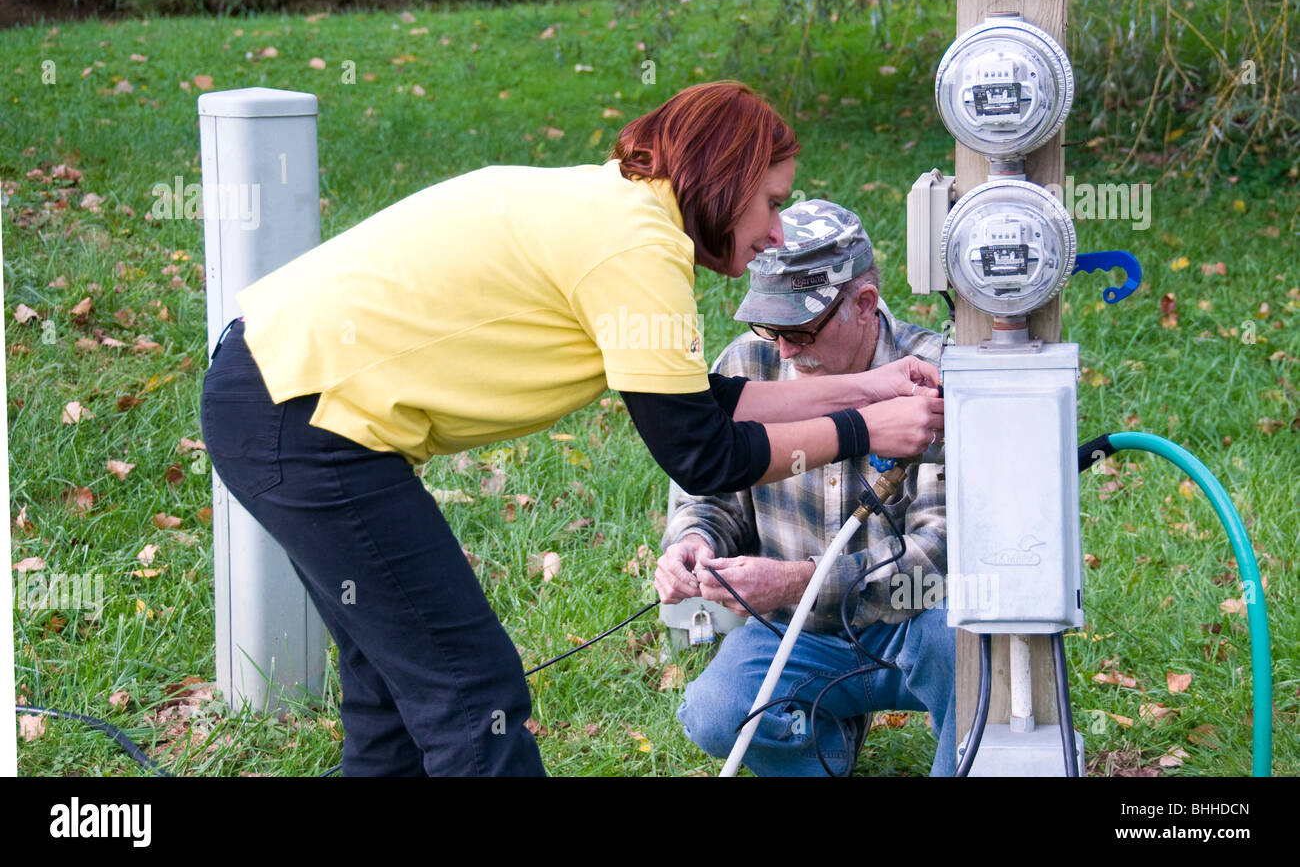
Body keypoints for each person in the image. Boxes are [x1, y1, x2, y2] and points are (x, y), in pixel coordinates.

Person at [200, 81, 945, 776]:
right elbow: (707, 454)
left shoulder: (620, 213)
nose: (774, 231)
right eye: (771, 202)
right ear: (726, 176)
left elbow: (703, 402)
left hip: (278, 394)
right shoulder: (639, 248)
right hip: (303, 414)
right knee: (472, 694)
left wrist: (868, 385)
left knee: (394, 693)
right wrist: (862, 424)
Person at [655, 199, 957, 777]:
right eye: (769, 326)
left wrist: (797, 579)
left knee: (959, 637)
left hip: (910, 628)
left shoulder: (934, 374)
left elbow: (940, 556)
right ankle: (823, 749)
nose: (784, 349)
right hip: (798, 633)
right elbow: (709, 493)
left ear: (864, 304)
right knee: (715, 713)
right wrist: (694, 541)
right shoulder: (749, 364)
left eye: (799, 328)